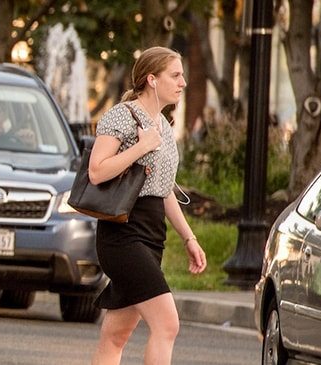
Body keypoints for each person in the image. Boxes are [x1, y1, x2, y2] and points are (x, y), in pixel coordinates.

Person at [86, 46, 207, 365]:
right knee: (167, 324)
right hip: (122, 236)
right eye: (176, 75)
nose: (183, 82)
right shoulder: (122, 116)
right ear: (152, 79)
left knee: (115, 336)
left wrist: (189, 238)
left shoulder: (164, 127)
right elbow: (97, 171)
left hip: (153, 236)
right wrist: (141, 147)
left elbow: (164, 190)